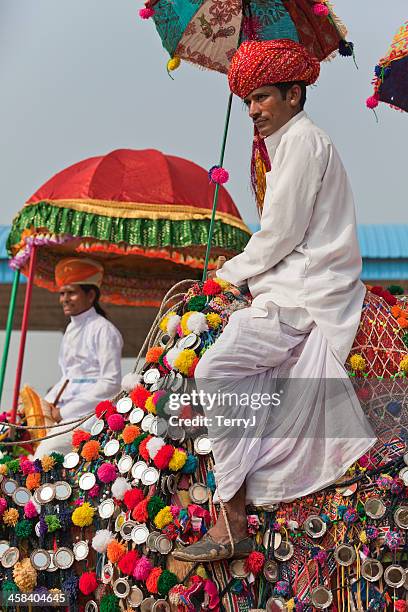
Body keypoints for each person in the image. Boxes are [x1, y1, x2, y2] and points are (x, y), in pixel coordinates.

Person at [174, 39, 375, 563]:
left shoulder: (304, 141)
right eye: (246, 103)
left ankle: (231, 520)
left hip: (302, 291)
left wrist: (223, 276)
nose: (254, 111)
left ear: (294, 93)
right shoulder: (284, 146)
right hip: (285, 282)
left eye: (261, 98)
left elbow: (280, 233)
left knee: (214, 371)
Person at [32, 257, 123, 459]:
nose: (64, 298)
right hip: (64, 415)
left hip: (89, 415)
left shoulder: (104, 330)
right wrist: (42, 405)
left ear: (90, 295)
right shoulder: (71, 329)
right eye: (62, 293)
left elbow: (110, 383)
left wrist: (64, 412)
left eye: (71, 293)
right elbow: (68, 378)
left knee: (44, 454)